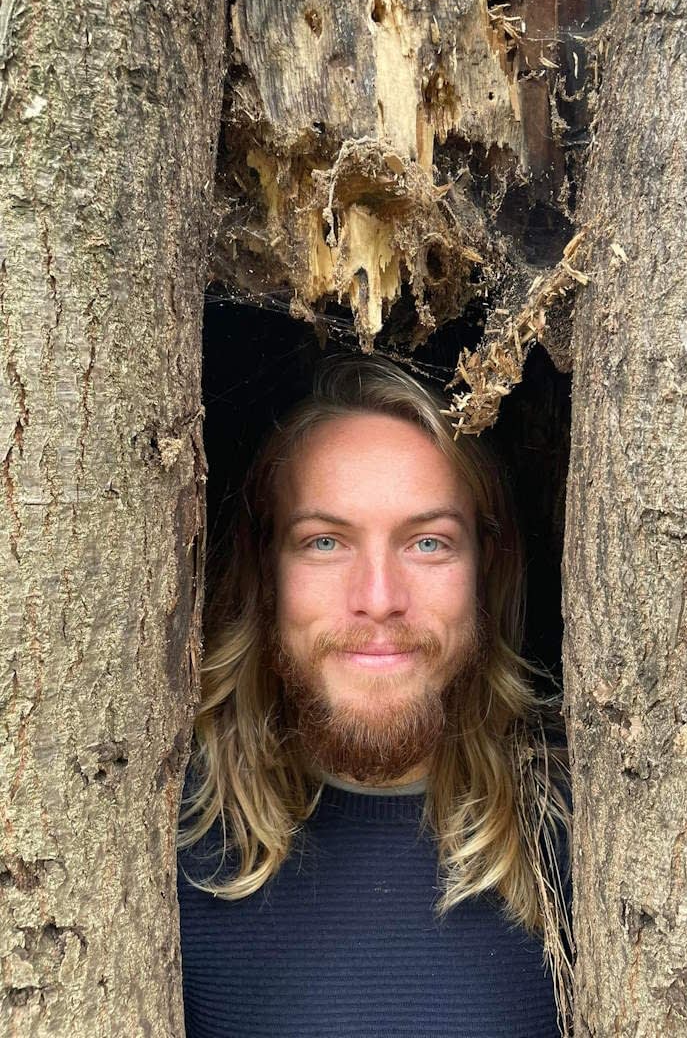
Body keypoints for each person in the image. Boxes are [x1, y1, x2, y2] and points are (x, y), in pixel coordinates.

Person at [176, 355, 574, 1038]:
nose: (380, 600)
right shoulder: (163, 843)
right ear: (265, 573)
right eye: (325, 542)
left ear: (488, 568)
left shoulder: (580, 839)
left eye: (427, 542)